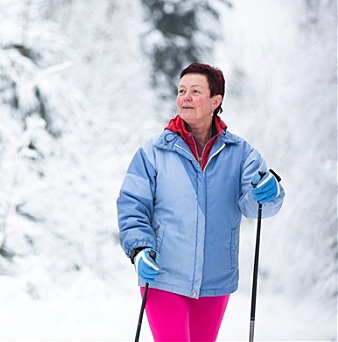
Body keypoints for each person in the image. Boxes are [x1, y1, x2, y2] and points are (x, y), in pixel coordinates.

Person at [116, 62, 285, 341]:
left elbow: (255, 205)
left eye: (196, 91)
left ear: (215, 101)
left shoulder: (240, 153)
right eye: (182, 90)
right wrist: (140, 249)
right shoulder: (153, 152)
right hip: (163, 277)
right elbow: (132, 205)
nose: (186, 97)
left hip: (215, 280)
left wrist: (268, 193)